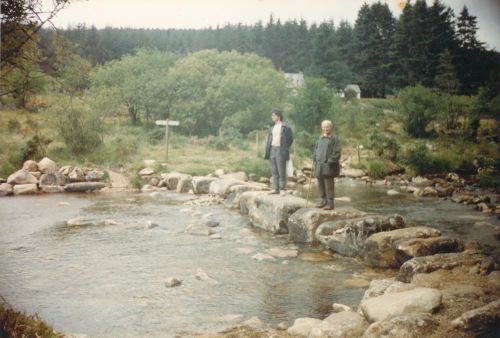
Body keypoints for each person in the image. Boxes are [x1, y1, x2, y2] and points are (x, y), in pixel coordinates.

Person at [264, 108, 293, 196]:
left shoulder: (285, 127)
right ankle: (275, 188)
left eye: (273, 115)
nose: (272, 117)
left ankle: (282, 189)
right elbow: (270, 139)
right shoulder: (272, 127)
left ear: (278, 116)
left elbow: (290, 139)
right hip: (272, 149)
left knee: (281, 170)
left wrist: (284, 148)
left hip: (281, 149)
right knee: (274, 170)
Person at [313, 120, 341, 210]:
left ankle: (330, 203)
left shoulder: (335, 139)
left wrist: (330, 161)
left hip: (329, 165)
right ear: (322, 128)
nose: (326, 129)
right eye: (324, 127)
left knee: (329, 184)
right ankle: (323, 201)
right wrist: (314, 157)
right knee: (320, 182)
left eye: (327, 127)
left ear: (331, 127)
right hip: (319, 164)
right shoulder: (320, 138)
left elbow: (337, 152)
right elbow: (316, 149)